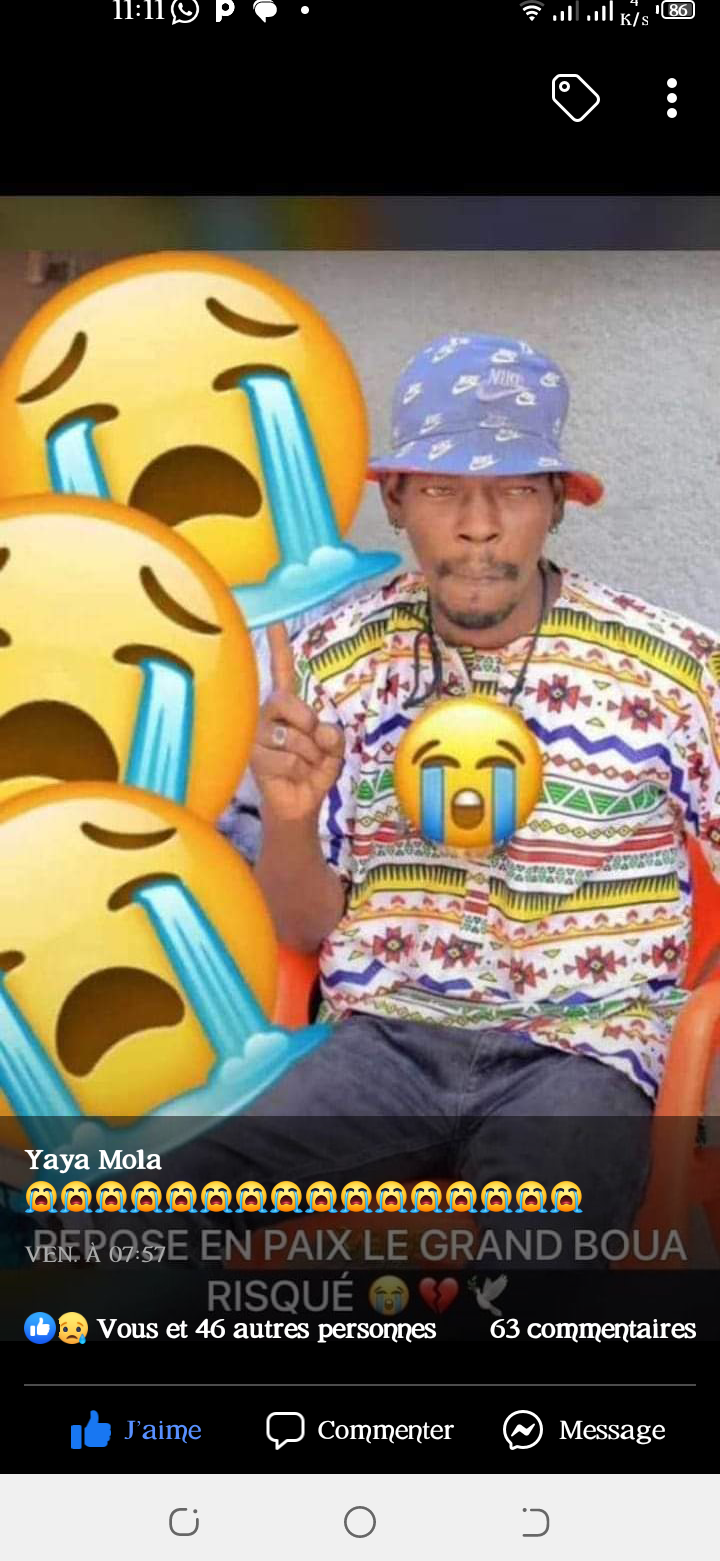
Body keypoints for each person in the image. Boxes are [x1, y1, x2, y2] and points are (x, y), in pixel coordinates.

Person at [232, 331, 720, 1243]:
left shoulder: (674, 670)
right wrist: (292, 821)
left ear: (557, 504)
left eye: (516, 491)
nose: (479, 525)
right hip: (383, 1048)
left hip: (581, 1058)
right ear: (395, 501)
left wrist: (692, 1024)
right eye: (442, 490)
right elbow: (301, 931)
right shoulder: (336, 662)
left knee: (524, 1261)